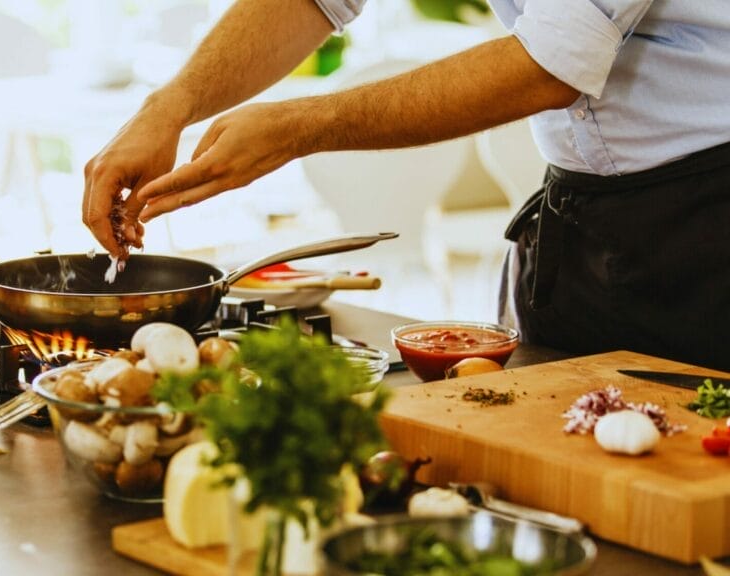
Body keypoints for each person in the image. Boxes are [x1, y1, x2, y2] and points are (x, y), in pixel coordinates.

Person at [82, 0, 730, 371]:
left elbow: (551, 63)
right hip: (582, 215)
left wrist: (301, 126)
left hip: (708, 220)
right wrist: (168, 107)